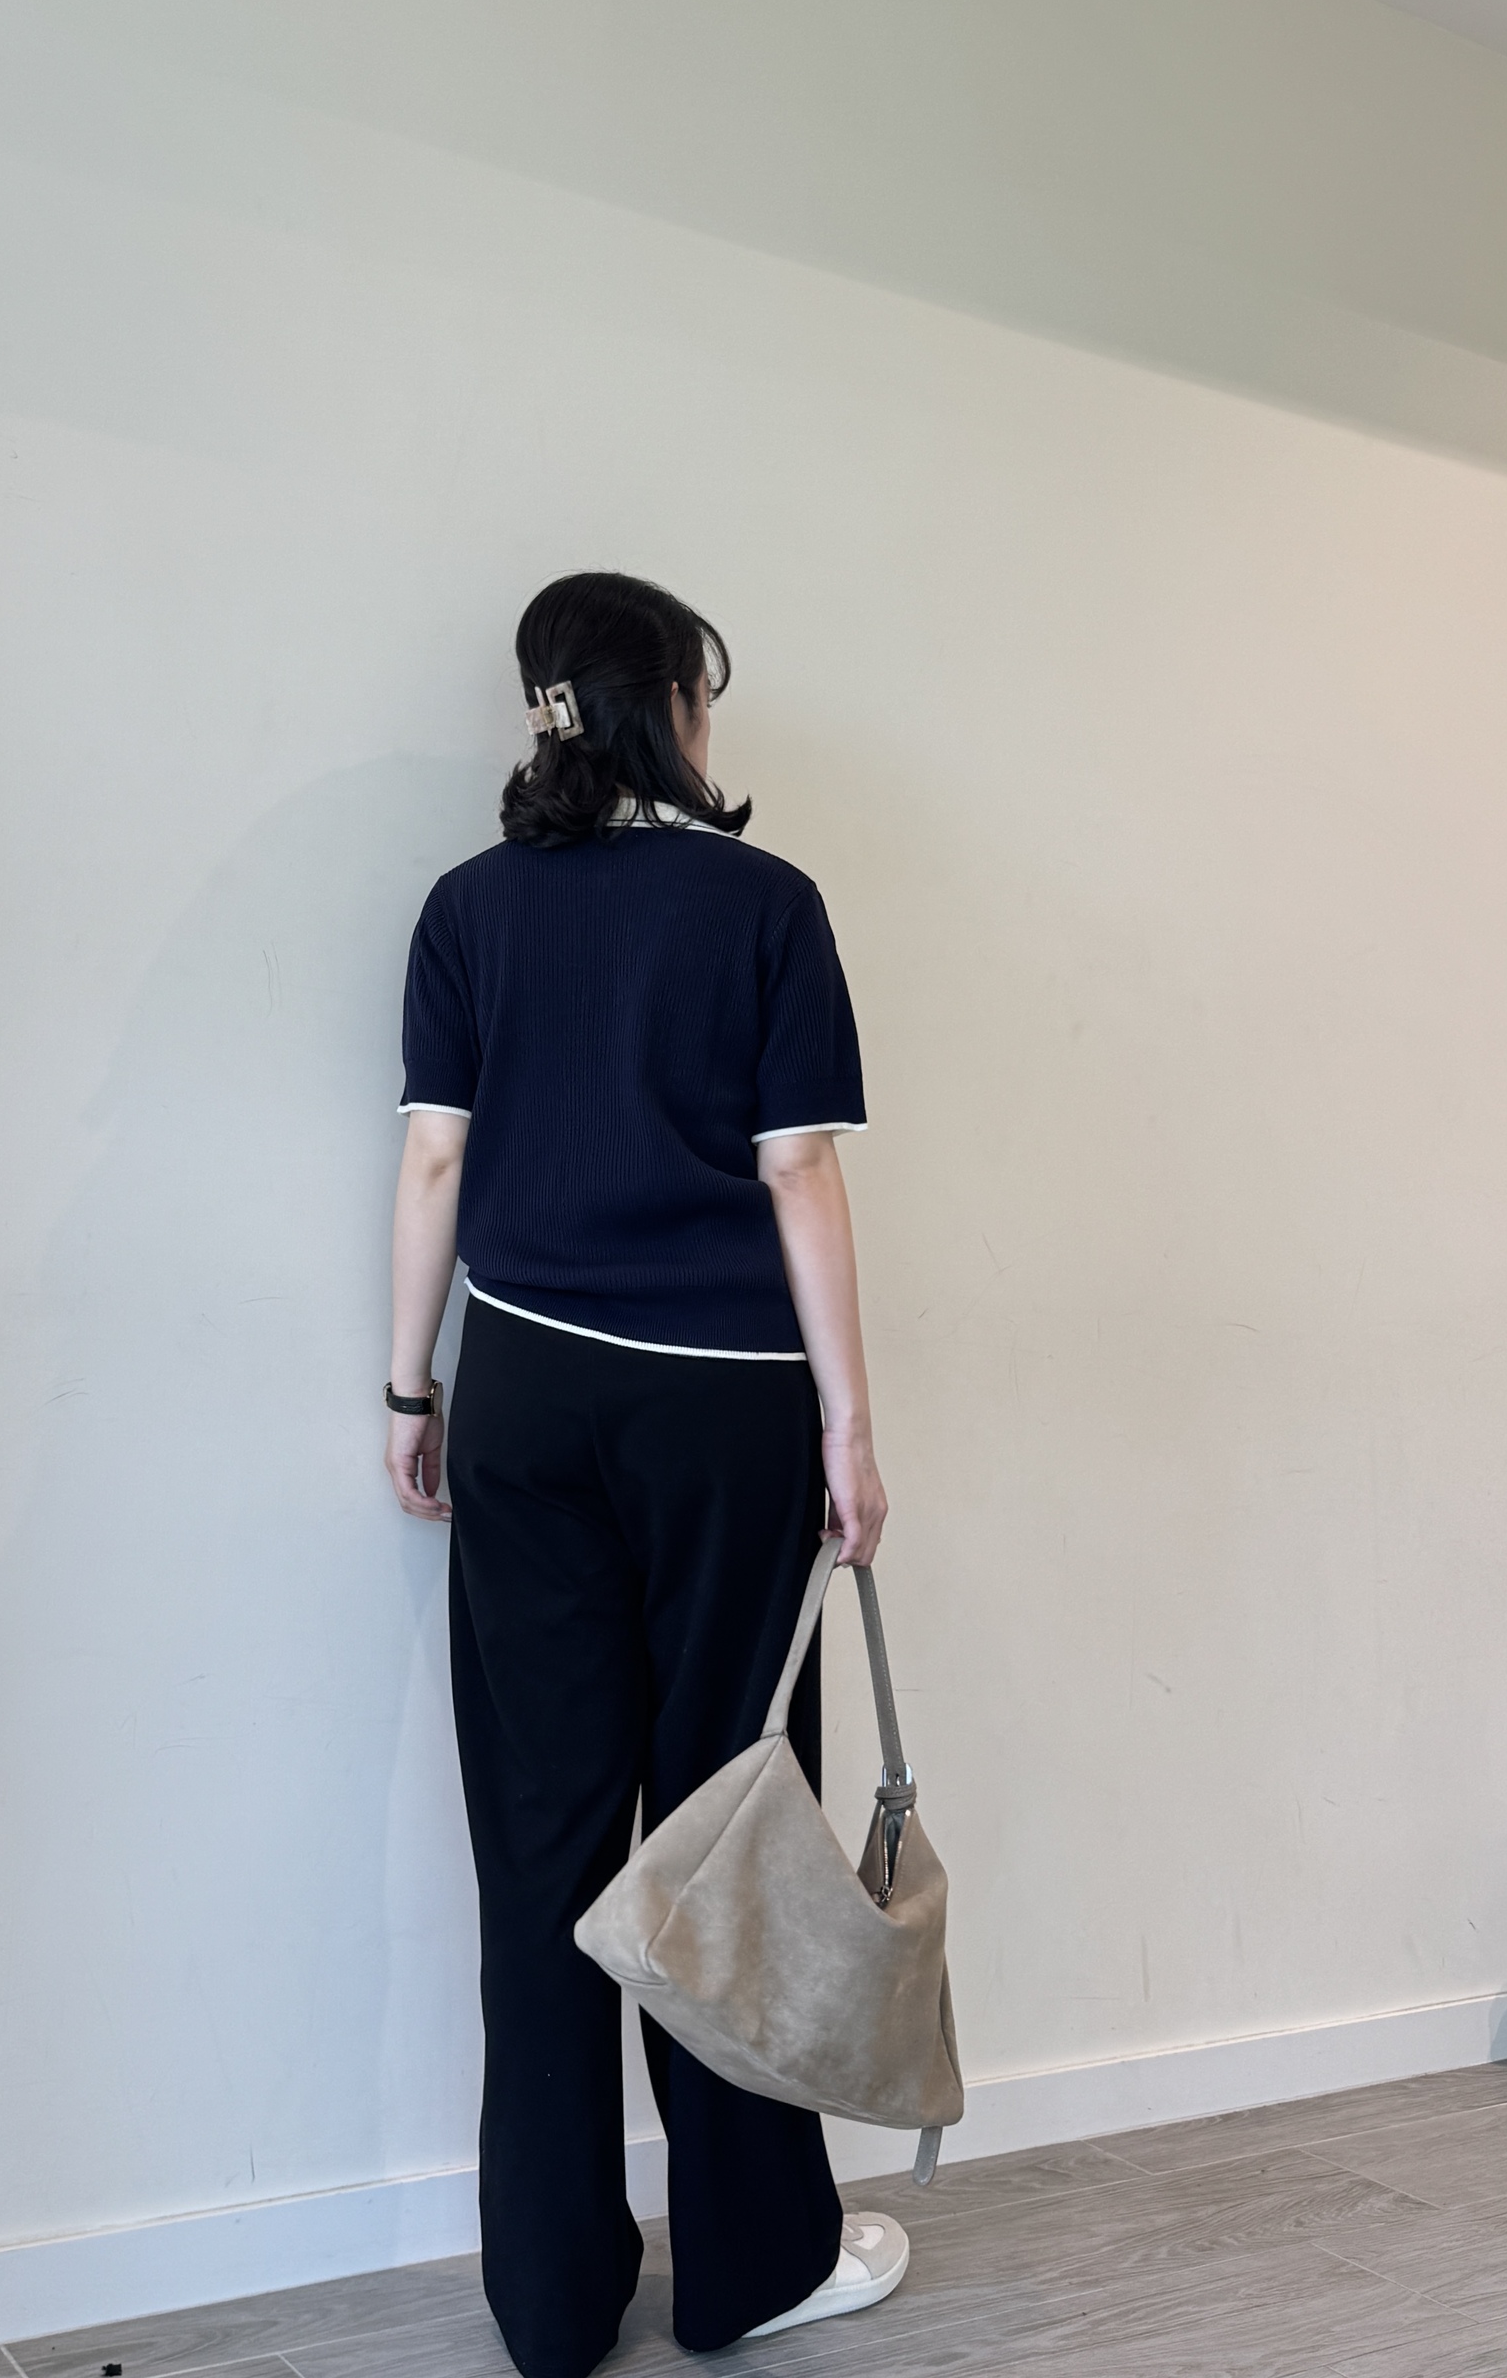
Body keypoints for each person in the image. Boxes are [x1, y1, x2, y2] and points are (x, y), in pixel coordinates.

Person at [383, 572, 906, 2378]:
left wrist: (409, 1386)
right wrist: (850, 1426)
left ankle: (548, 2304)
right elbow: (799, 1173)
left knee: (537, 1842)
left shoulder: (467, 909)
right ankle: (752, 2266)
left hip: (522, 1392)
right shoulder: (766, 904)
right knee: (725, 1836)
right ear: (669, 704)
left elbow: (434, 1166)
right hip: (725, 1411)